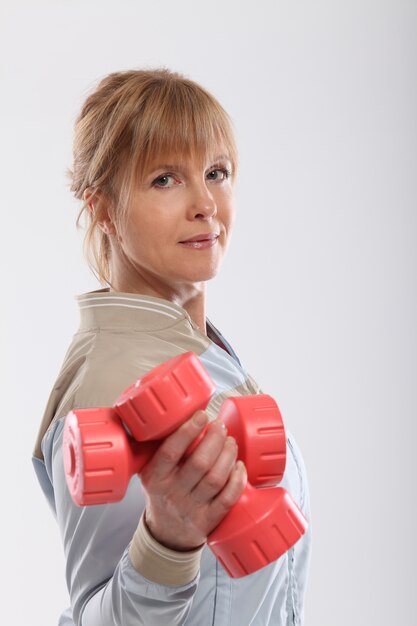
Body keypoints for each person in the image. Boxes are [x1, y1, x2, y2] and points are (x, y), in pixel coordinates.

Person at [32, 68, 312, 626]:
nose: (206, 202)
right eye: (165, 179)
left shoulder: (201, 353)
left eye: (216, 172)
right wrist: (168, 539)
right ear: (105, 209)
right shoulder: (108, 388)